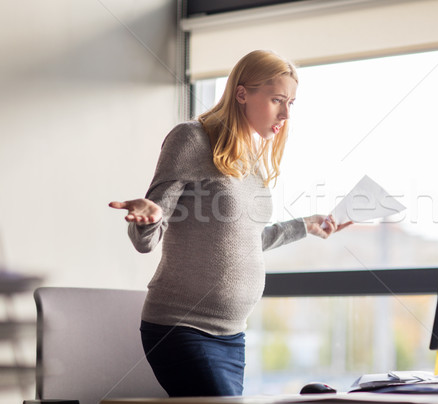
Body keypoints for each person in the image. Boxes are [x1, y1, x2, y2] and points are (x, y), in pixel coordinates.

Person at [109, 50, 351, 397]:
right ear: (242, 93)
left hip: (232, 336)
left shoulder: (247, 157)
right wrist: (150, 218)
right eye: (277, 100)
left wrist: (306, 225)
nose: (285, 113)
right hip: (182, 328)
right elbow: (145, 239)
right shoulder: (190, 139)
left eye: (291, 104)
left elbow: (246, 238)